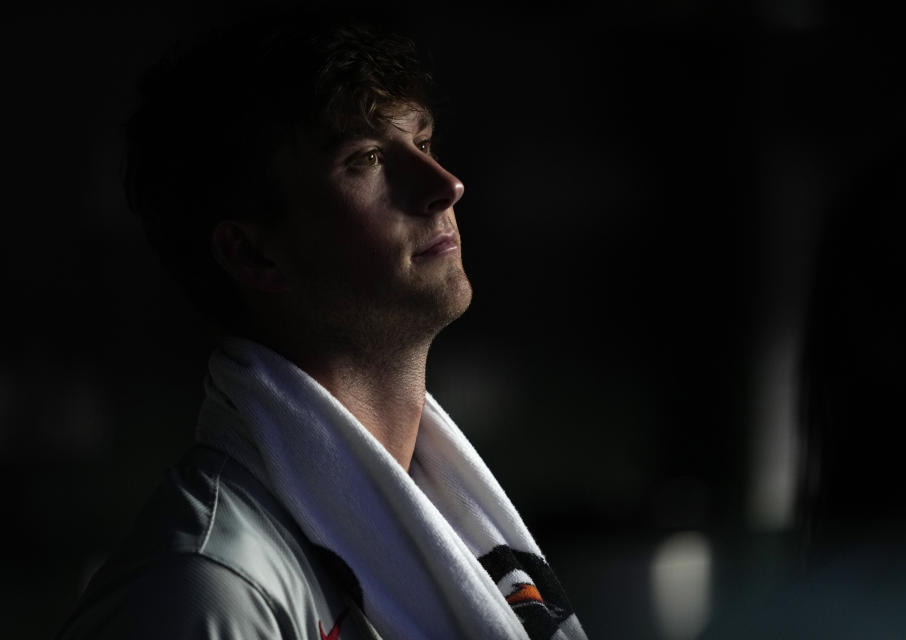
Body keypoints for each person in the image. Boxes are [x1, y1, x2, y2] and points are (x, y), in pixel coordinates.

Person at [57, 14, 587, 640]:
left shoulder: (444, 511)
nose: (444, 186)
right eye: (364, 158)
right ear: (254, 255)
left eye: (422, 142)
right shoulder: (204, 591)